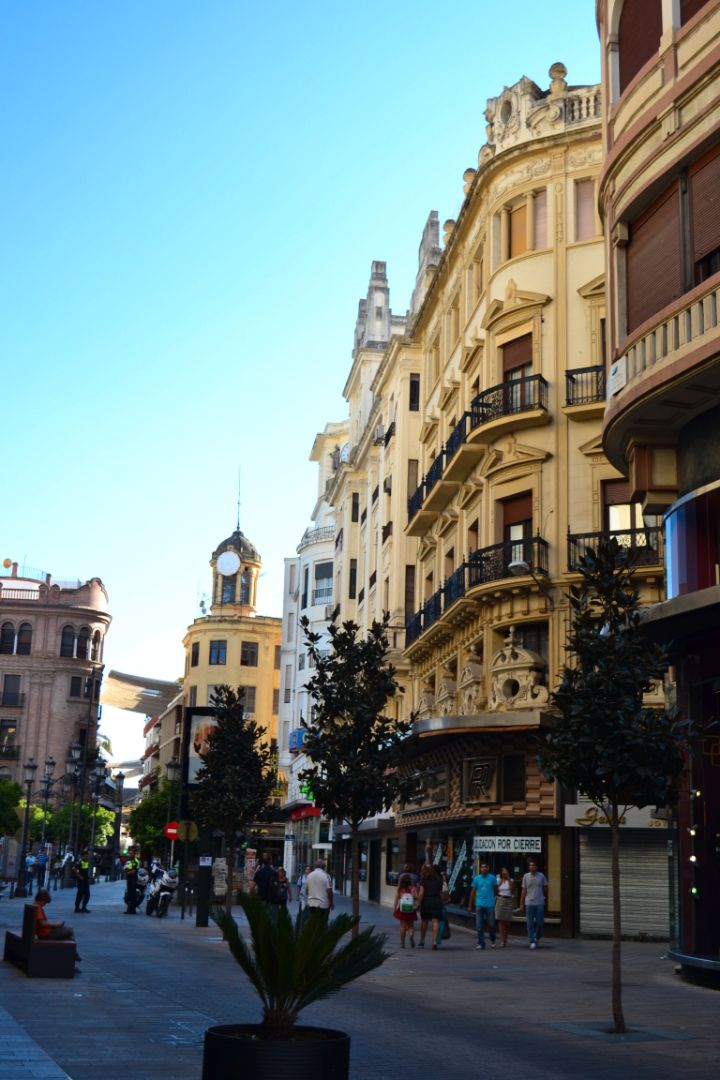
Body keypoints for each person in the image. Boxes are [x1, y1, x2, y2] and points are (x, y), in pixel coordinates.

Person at [34, 889, 81, 966]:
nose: (45, 904)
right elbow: (42, 924)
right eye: (45, 902)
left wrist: (55, 926)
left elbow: (42, 923)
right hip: (45, 934)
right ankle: (74, 954)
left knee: (69, 939)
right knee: (70, 931)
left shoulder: (34, 905)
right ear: (42, 899)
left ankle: (70, 962)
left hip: (44, 933)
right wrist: (56, 925)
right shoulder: (38, 908)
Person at [468, 862, 498, 949]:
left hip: (490, 905)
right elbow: (472, 892)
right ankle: (481, 942)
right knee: (479, 926)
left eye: (485, 867)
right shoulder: (477, 878)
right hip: (479, 904)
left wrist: (494, 898)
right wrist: (470, 905)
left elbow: (496, 889)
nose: (483, 869)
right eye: (482, 867)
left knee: (492, 924)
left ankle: (492, 939)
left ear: (488, 868)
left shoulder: (492, 878)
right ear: (480, 869)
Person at [520, 859, 548, 949]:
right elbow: (523, 890)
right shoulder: (526, 876)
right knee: (530, 923)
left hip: (539, 902)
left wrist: (542, 895)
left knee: (540, 923)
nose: (531, 867)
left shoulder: (541, 876)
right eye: (530, 865)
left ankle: (537, 936)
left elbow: (546, 887)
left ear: (536, 867)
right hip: (529, 902)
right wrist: (521, 903)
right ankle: (532, 940)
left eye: (533, 865)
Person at [417, 864, 444, 949]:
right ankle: (435, 941)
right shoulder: (439, 880)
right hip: (436, 901)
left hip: (426, 901)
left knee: (424, 921)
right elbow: (441, 892)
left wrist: (418, 903)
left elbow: (421, 893)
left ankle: (422, 940)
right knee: (435, 921)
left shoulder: (424, 880)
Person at [393, 872, 418, 948]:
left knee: (402, 925)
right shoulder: (413, 889)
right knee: (411, 925)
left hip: (402, 909)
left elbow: (396, 900)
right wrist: (416, 906)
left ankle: (402, 943)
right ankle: (410, 936)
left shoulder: (400, 889)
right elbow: (416, 898)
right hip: (411, 909)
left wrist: (394, 909)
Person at [495, 867, 515, 947]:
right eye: (503, 871)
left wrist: (508, 877)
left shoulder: (511, 880)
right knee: (500, 920)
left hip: (508, 901)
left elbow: (511, 889)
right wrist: (501, 881)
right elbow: (496, 890)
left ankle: (505, 937)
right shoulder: (498, 880)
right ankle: (502, 940)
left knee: (507, 921)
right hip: (500, 899)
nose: (504, 873)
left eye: (506, 871)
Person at [124, 846, 141, 914]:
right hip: (129, 878)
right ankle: (129, 909)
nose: (129, 854)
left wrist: (127, 872)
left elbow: (134, 871)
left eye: (131, 853)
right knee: (129, 894)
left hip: (133, 879)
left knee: (132, 895)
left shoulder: (135, 861)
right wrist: (126, 872)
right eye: (129, 853)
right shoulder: (128, 860)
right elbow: (126, 867)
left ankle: (132, 910)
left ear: (134, 854)